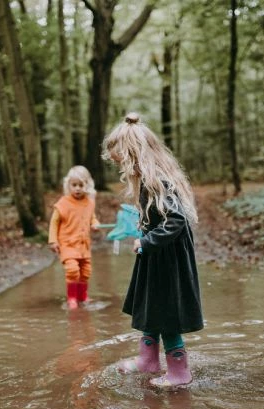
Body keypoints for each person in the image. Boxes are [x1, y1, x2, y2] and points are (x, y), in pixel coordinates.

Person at [101, 112, 203, 388]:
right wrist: (141, 224)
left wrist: (147, 241)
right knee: (151, 307)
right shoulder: (149, 180)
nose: (120, 166)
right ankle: (148, 360)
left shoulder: (157, 180)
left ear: (133, 155)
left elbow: (177, 220)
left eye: (121, 160)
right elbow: (160, 217)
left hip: (168, 261)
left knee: (167, 313)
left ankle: (180, 373)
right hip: (157, 258)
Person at [48, 165, 100, 310]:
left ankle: (83, 297)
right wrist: (53, 241)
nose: (77, 188)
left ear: (87, 185)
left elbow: (92, 218)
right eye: (74, 185)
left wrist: (95, 224)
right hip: (67, 244)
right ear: (68, 185)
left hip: (84, 245)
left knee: (86, 271)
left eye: (81, 185)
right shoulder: (63, 203)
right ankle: (72, 299)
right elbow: (54, 222)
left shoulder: (89, 203)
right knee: (72, 270)